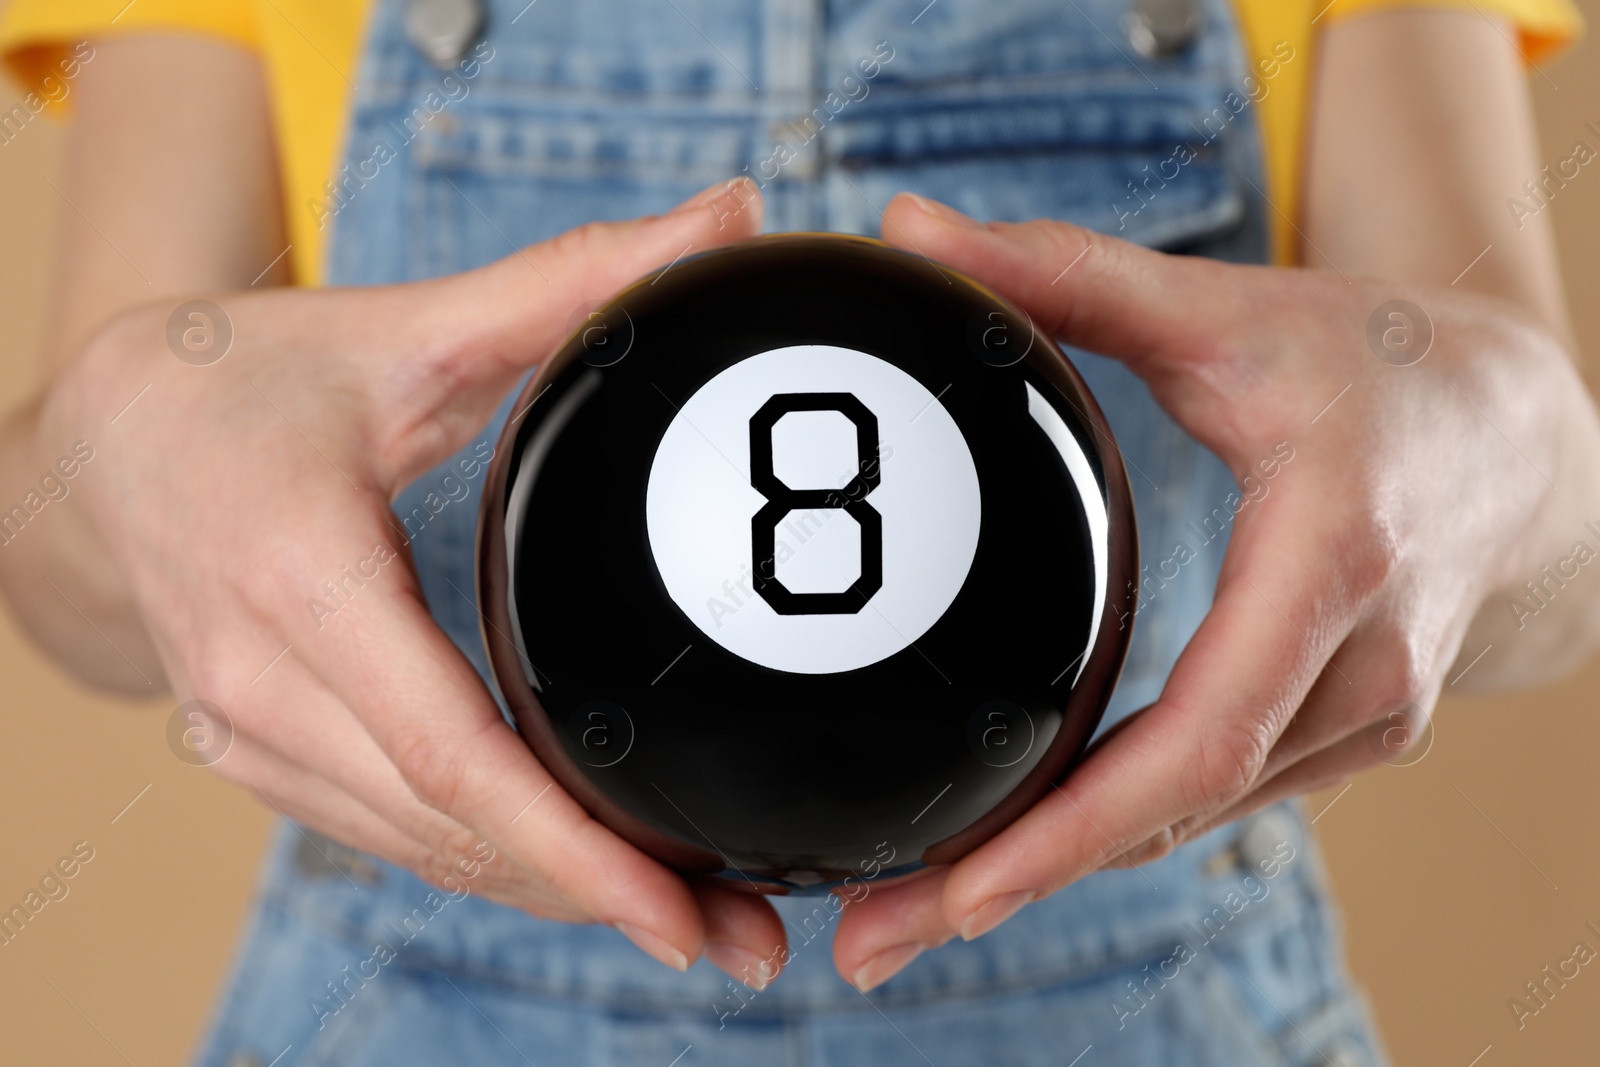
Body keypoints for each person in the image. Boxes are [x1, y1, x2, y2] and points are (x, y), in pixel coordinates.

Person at [1, 0, 1596, 1063]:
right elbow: (72, 582)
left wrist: (1495, 448)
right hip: (413, 1007)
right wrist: (133, 451)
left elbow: (1556, 563)